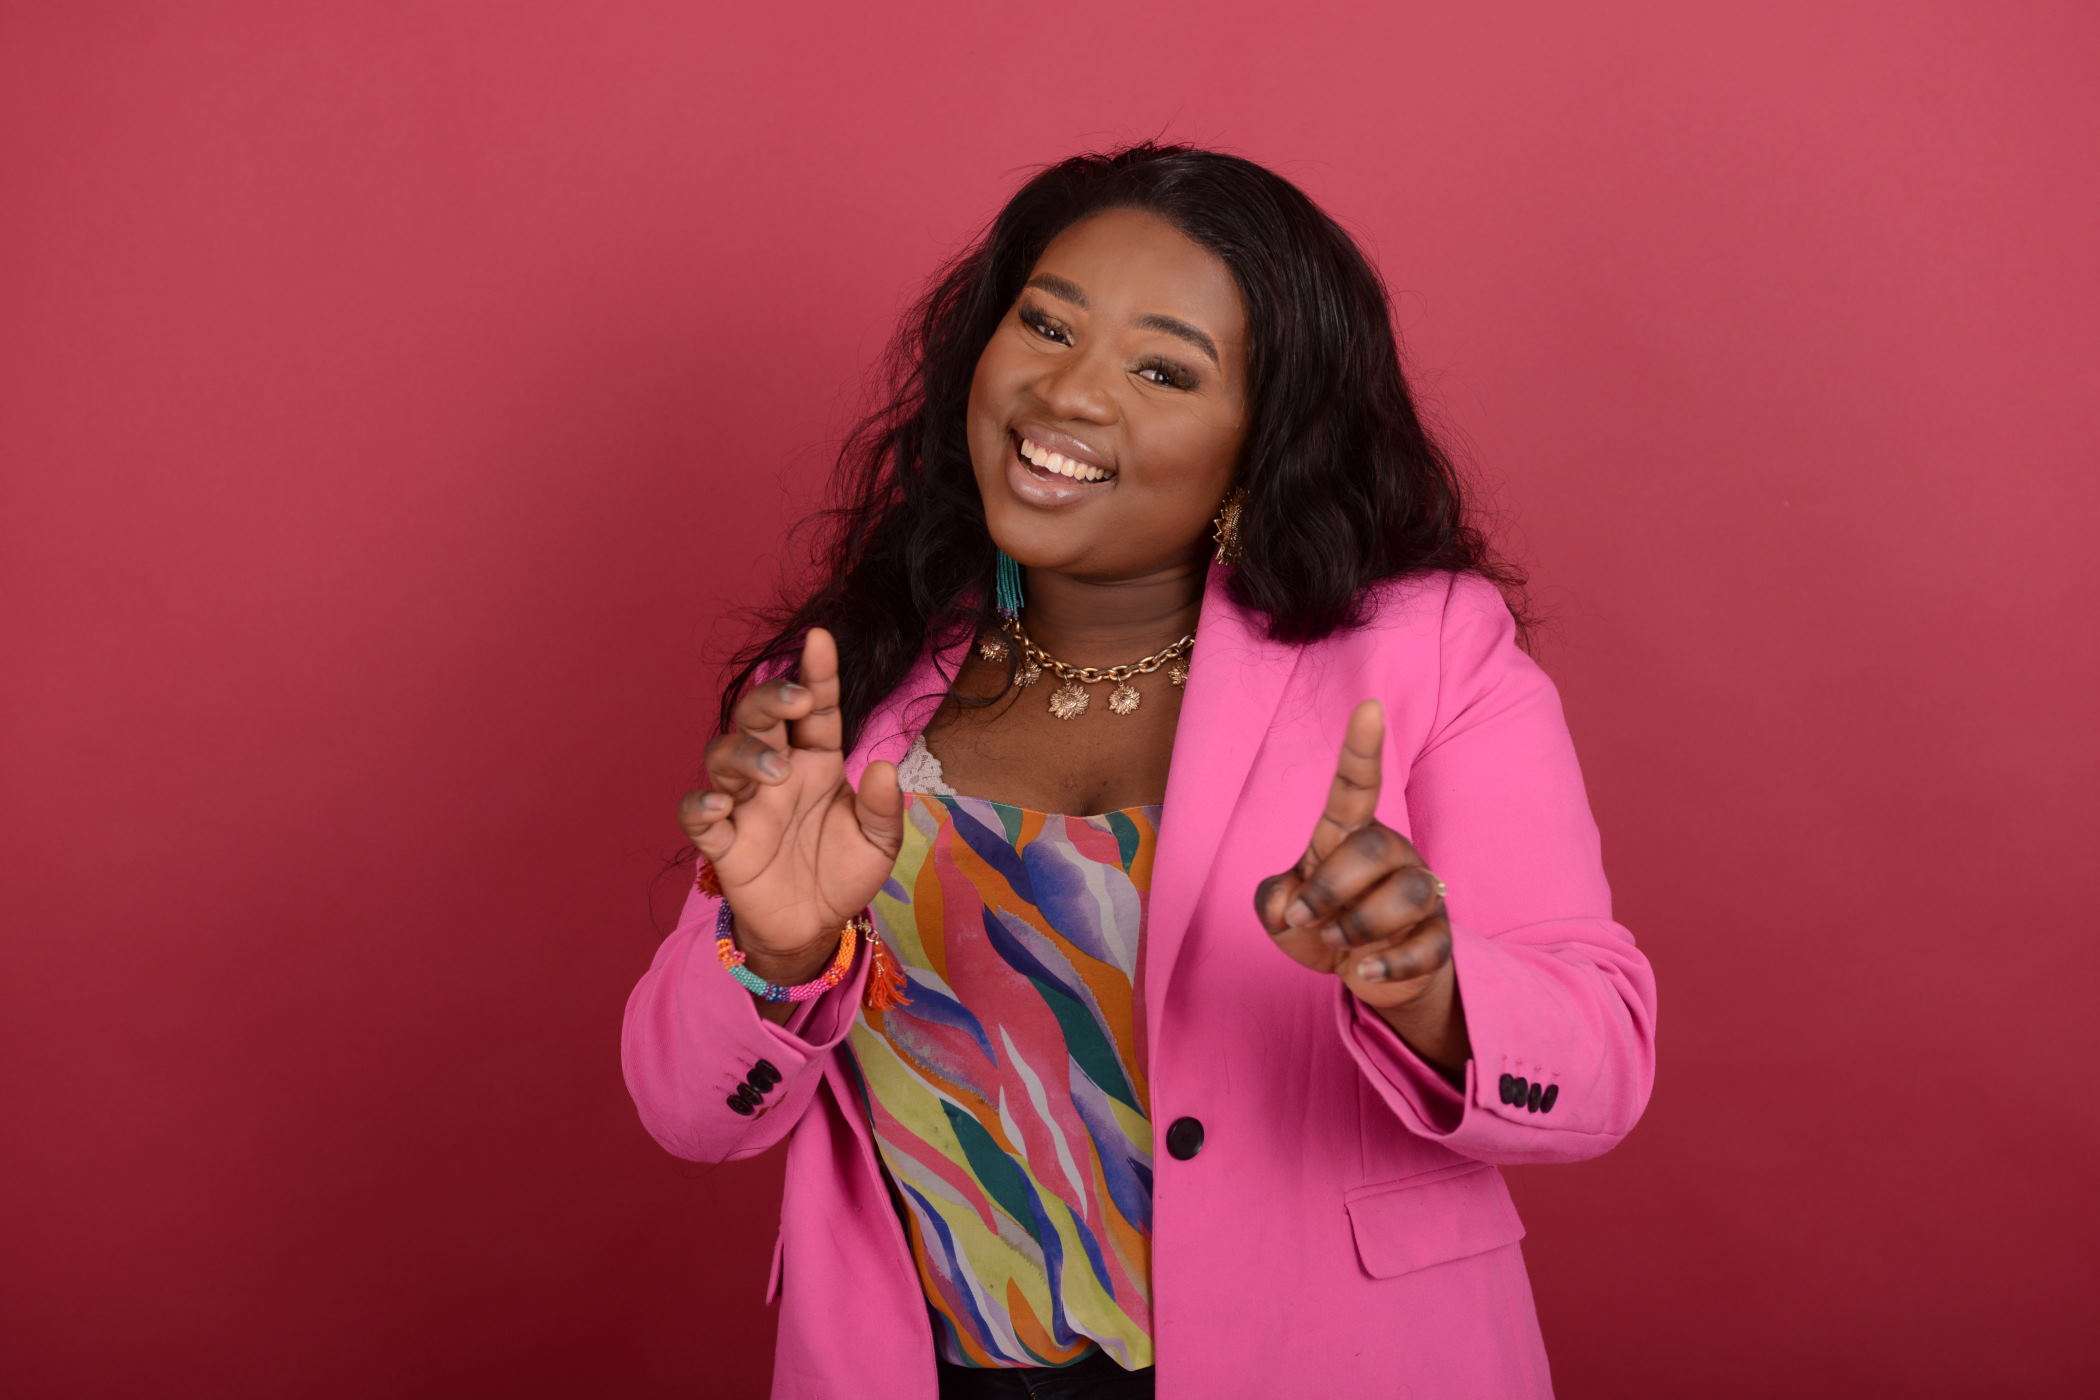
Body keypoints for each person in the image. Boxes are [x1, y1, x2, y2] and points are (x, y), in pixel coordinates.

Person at [621, 140, 1659, 1400]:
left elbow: (1600, 1057)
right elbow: (688, 1109)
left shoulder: (1424, 648)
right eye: (1046, 325)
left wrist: (1429, 985)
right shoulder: (847, 677)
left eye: (1164, 369)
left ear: (1261, 443)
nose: (1069, 391)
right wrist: (774, 949)